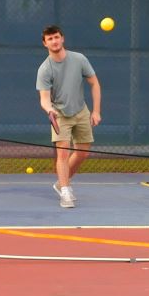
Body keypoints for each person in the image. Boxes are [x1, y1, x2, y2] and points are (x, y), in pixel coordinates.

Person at [36, 25, 102, 208]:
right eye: (50, 39)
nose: (54, 41)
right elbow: (44, 99)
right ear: (45, 44)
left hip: (81, 111)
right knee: (63, 153)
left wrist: (96, 111)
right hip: (60, 115)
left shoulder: (79, 59)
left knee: (83, 152)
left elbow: (94, 84)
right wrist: (50, 110)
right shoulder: (44, 69)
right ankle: (65, 191)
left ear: (62, 39)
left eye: (56, 37)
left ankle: (60, 182)